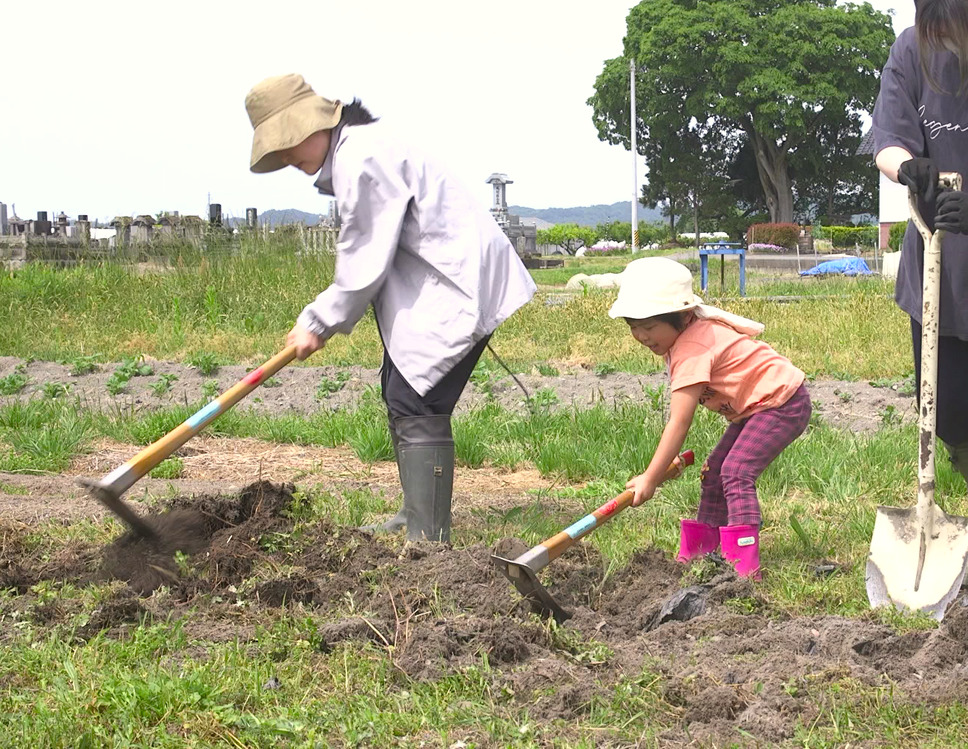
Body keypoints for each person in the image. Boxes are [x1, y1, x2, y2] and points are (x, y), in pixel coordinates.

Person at [245, 73, 536, 542]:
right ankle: (414, 513)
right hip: (442, 280)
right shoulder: (360, 150)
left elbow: (364, 251)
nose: (286, 158)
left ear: (315, 123)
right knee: (399, 389)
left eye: (288, 142)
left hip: (457, 282)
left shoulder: (361, 157)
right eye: (277, 151)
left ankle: (427, 537)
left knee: (417, 399)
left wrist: (319, 320)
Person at [610, 258, 811, 578]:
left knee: (736, 471)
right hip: (754, 408)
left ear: (683, 316)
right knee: (714, 472)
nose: (642, 336)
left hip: (781, 403)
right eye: (634, 327)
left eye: (649, 327)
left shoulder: (693, 346)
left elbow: (679, 421)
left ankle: (743, 564)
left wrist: (651, 476)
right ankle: (705, 549)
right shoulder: (683, 337)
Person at [872, 0, 968, 485]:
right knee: (945, 407)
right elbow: (888, 140)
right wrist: (906, 165)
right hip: (939, 265)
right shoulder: (912, 49)